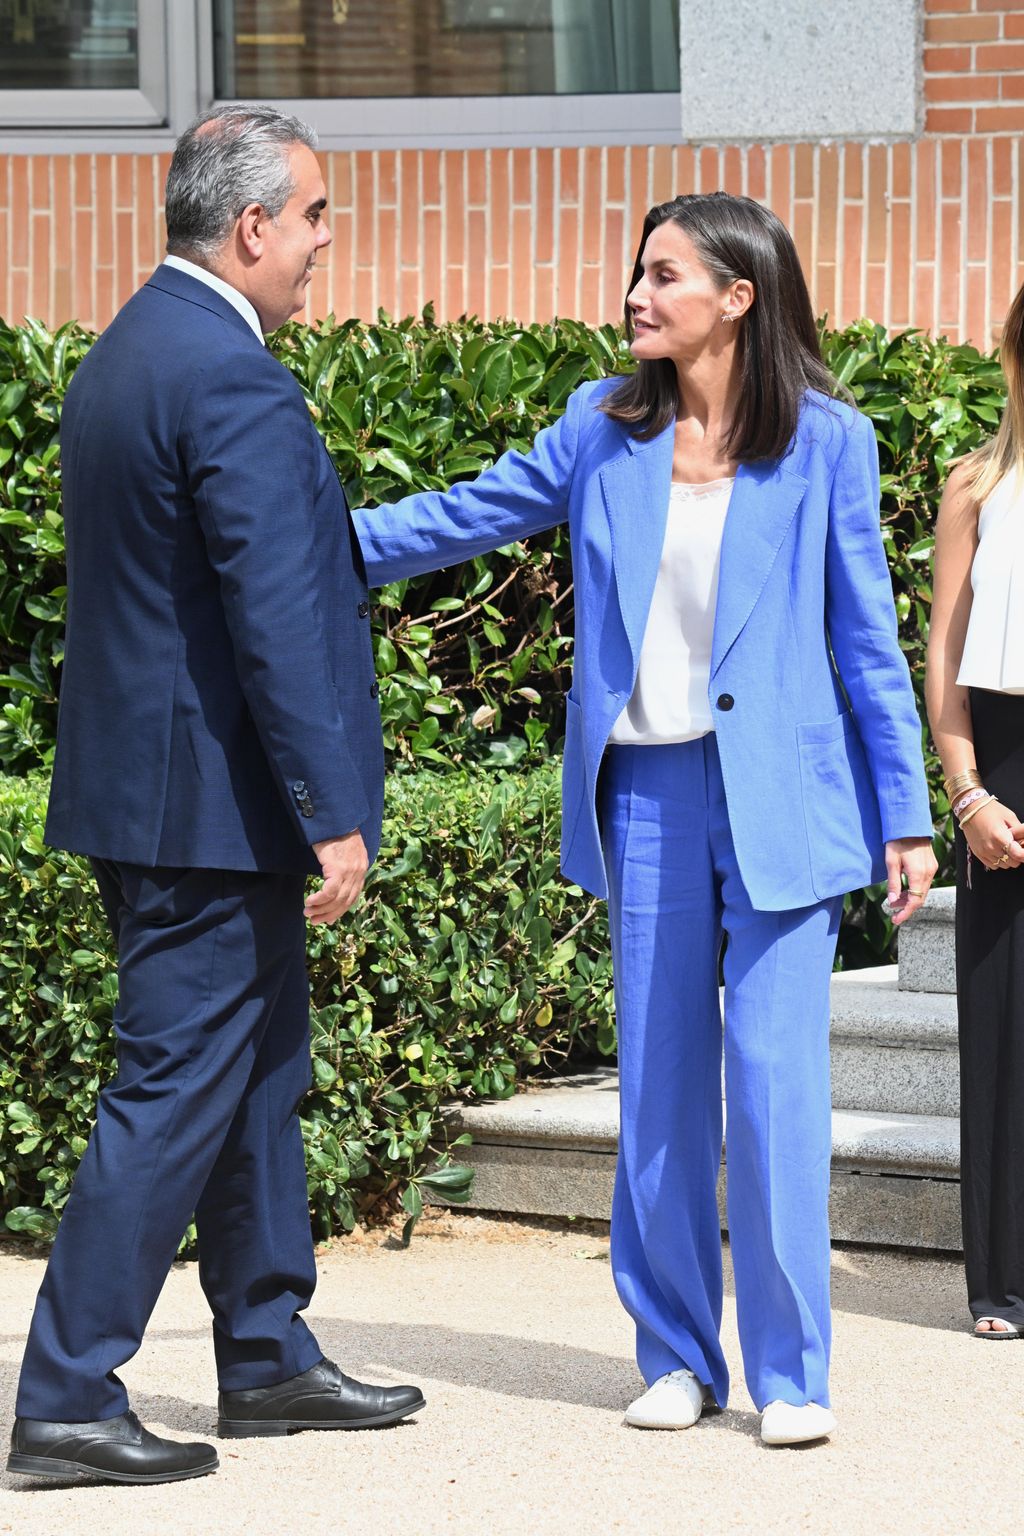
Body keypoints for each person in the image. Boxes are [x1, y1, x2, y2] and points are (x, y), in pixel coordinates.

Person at [352, 192, 936, 1445]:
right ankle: (675, 1354)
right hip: (652, 796)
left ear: (738, 296)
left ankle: (789, 1374)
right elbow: (463, 512)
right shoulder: (601, 426)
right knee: (661, 1089)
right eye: (637, 272)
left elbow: (865, 641)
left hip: (781, 796)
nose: (636, 293)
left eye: (665, 275)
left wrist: (905, 809)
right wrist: (305, 545)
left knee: (775, 1086)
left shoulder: (827, 439)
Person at [7, 105, 424, 1488]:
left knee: (255, 1072)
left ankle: (266, 1355)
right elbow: (277, 611)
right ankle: (68, 1392)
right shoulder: (232, 377)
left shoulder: (129, 350)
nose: (321, 244)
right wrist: (329, 803)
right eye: (312, 216)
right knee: (178, 1083)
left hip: (156, 798)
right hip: (215, 811)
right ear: (251, 227)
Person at [926, 279, 1024, 1342]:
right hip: (1002, 768)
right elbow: (944, 656)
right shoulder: (978, 486)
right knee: (1002, 1032)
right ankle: (1002, 1281)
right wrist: (966, 790)